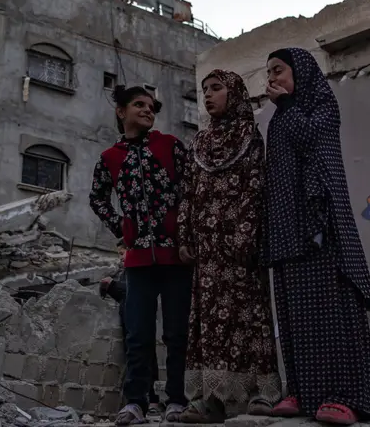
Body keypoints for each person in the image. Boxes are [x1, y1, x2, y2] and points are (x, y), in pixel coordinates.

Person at [263, 48, 370, 425]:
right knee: (295, 314)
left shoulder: (321, 107)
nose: (272, 79)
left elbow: (313, 143)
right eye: (269, 73)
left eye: (279, 70)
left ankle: (343, 397)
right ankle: (300, 391)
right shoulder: (279, 119)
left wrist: (289, 106)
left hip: (322, 226)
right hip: (287, 231)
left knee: (332, 309)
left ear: (301, 71)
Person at [176, 70, 282, 423]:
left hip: (239, 251)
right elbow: (188, 194)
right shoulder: (200, 143)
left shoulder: (250, 137)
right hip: (207, 253)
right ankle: (211, 400)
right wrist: (185, 236)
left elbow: (255, 188)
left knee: (248, 319)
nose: (208, 95)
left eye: (217, 89)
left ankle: (260, 394)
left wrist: (245, 236)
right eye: (205, 90)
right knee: (210, 325)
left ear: (234, 93)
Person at [90, 85, 192, 426]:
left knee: (177, 331)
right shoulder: (110, 158)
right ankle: (136, 401)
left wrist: (183, 228)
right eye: (139, 104)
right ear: (121, 112)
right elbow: (98, 199)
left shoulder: (171, 146)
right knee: (138, 332)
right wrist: (122, 228)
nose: (148, 110)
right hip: (136, 260)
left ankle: (177, 399)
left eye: (151, 106)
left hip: (176, 256)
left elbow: (191, 189)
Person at [100, 256, 162, 418]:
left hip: (139, 320)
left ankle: (152, 400)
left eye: (123, 252)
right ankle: (143, 401)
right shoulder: (126, 272)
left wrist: (110, 284)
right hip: (130, 323)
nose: (120, 256)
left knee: (144, 348)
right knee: (137, 349)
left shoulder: (142, 270)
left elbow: (130, 290)